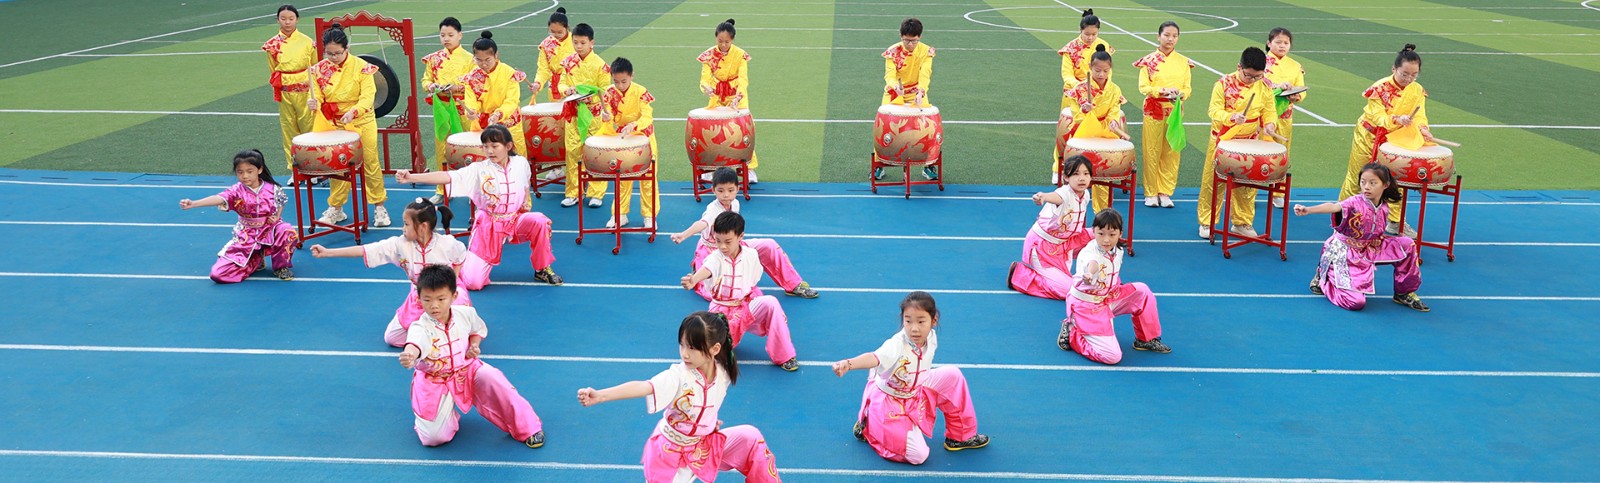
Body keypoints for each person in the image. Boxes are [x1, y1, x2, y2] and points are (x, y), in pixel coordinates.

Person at [576, 311, 781, 483]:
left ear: (715, 349)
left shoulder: (723, 373)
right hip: (671, 453)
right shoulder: (678, 376)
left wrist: (707, 423)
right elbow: (644, 387)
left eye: (692, 347)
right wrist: (600, 396)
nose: (684, 354)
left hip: (702, 445)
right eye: (682, 345)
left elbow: (707, 401)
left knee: (750, 437)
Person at [831, 291, 989, 464]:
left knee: (953, 375)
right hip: (890, 400)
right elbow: (874, 357)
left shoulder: (931, 337)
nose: (914, 328)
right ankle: (868, 425)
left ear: (934, 321)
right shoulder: (896, 344)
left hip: (915, 390)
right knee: (918, 456)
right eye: (908, 321)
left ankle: (961, 437)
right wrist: (848, 363)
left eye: (921, 321)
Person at [395, 125, 564, 287]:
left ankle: (542, 268)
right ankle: (456, 261)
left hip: (514, 220)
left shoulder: (521, 163)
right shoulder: (478, 170)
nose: (489, 151)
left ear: (508, 146)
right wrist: (412, 177)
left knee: (540, 221)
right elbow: (448, 176)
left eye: (494, 146)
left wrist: (525, 199)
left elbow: (525, 182)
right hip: (489, 225)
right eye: (485, 146)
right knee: (473, 283)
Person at [399, 265, 545, 448]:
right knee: (433, 439)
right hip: (434, 379)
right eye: (427, 299)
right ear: (419, 299)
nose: (434, 305)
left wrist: (474, 345)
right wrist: (410, 355)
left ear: (454, 296)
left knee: (495, 380)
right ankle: (444, 417)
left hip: (467, 369)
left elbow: (476, 331)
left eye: (441, 299)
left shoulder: (466, 313)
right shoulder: (419, 327)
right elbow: (414, 344)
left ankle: (528, 427)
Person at [310, 198, 482, 347]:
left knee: (458, 327)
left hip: (447, 295)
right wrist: (328, 252)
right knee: (392, 338)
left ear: (423, 227)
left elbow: (460, 256)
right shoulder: (400, 245)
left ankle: (450, 336)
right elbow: (366, 249)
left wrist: (452, 281)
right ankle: (435, 338)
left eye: (406, 224)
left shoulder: (447, 243)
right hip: (421, 296)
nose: (403, 228)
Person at [1295, 163, 1429, 312]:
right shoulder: (1354, 202)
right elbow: (1333, 207)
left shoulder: (1384, 207)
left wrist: (1378, 238)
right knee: (1356, 302)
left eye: (1373, 183)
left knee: (1407, 244)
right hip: (1346, 252)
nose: (1366, 187)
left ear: (1385, 185)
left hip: (1370, 247)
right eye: (1363, 182)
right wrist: (1308, 209)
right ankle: (1324, 278)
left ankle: (1403, 292)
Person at [670, 167, 819, 300]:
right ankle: (698, 271)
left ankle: (793, 284)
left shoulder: (735, 204)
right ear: (713, 190)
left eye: (730, 190)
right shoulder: (713, 210)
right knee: (719, 293)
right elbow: (702, 223)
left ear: (737, 189)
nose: (726, 195)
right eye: (721, 191)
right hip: (713, 251)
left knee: (769, 245)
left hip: (733, 246)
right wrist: (684, 235)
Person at [680, 212, 800, 371]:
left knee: (771, 303)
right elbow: (708, 268)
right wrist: (694, 279)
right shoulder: (715, 257)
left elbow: (754, 278)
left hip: (747, 304)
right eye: (718, 241)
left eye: (728, 242)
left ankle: (784, 356)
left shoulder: (751, 255)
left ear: (740, 236)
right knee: (715, 353)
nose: (722, 247)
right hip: (722, 312)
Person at [1341, 44, 1435, 237]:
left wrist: (1423, 129)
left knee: (1394, 179)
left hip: (1395, 139)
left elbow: (1420, 116)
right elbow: (1377, 116)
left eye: (1414, 75)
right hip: (1369, 136)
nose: (1409, 79)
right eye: (1404, 74)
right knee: (1360, 176)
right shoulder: (1380, 88)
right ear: (1394, 69)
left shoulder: (1417, 90)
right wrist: (1397, 119)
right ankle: (1345, 215)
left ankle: (1395, 220)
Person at [1059, 209, 1170, 365]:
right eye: (1101, 234)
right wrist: (1089, 274)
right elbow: (1093, 264)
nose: (1106, 240)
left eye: (1112, 234)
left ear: (1120, 233)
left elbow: (1113, 275)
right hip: (1087, 306)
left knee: (1142, 291)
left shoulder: (1118, 250)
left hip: (1108, 297)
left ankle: (1146, 339)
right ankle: (1072, 331)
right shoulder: (1089, 252)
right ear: (1093, 231)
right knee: (1112, 357)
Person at [310, 23, 390, 227]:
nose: (334, 57)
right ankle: (336, 208)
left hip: (361, 120)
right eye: (329, 53)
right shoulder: (319, 69)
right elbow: (316, 94)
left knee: (370, 161)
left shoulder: (362, 67)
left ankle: (379, 207)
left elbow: (368, 96)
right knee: (337, 164)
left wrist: (354, 111)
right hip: (335, 121)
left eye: (338, 53)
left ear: (347, 48)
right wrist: (314, 103)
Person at [1195, 47, 1278, 239]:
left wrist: (1270, 124)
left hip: (1250, 140)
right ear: (1239, 67)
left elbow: (1269, 110)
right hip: (1224, 137)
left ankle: (1242, 222)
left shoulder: (1264, 86)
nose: (1252, 80)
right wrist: (1232, 117)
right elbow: (1213, 111)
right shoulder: (1223, 84)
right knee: (1213, 181)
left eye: (1257, 76)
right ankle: (1207, 221)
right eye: (1248, 75)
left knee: (1247, 183)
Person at [180, 149, 296, 283]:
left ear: (259, 170)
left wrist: (276, 216)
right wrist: (194, 203)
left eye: (249, 171)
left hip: (269, 229)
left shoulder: (273, 188)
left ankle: (281, 267)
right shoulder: (236, 191)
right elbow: (219, 198)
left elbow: (281, 201)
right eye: (240, 172)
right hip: (246, 235)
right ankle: (255, 259)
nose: (245, 176)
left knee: (286, 230)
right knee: (218, 274)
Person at [1009, 155, 1094, 300]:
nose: (1081, 178)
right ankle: (1020, 275)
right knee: (1067, 290)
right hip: (1043, 247)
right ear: (1066, 177)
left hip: (1065, 242)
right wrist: (1043, 196)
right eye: (1076, 174)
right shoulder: (1064, 193)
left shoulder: (1085, 194)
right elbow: (1055, 197)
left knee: (1102, 235)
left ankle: (1101, 278)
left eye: (1086, 174)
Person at [1057, 45, 1129, 208]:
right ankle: (1072, 211)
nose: (1101, 74)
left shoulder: (1114, 89)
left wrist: (1112, 120)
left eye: (1105, 71)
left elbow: (1115, 109)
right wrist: (1084, 110)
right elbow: (1077, 115)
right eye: (1097, 70)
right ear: (1090, 67)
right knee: (1079, 174)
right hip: (1085, 131)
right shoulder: (1080, 89)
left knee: (1103, 173)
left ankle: (1102, 212)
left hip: (1104, 132)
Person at [1132, 21, 1193, 209]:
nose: (1170, 39)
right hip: (1154, 110)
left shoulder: (1183, 62)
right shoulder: (1148, 61)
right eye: (1166, 35)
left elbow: (1188, 88)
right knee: (1152, 150)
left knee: (1172, 150)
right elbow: (1144, 87)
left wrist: (1180, 94)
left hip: (1174, 110)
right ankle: (1151, 191)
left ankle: (1165, 191)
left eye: (1174, 36)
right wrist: (1161, 91)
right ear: (1158, 36)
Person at [697, 18, 761, 183]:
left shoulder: (740, 55)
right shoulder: (708, 55)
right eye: (720, 41)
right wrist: (706, 88)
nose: (723, 45)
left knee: (743, 130)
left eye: (727, 42)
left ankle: (749, 168)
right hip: (717, 93)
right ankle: (711, 168)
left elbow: (743, 79)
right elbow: (704, 78)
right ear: (716, 38)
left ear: (732, 40)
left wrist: (738, 96)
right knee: (714, 130)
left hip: (736, 94)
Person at [598, 57, 659, 228]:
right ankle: (619, 214)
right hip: (623, 139)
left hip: (644, 138)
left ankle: (649, 216)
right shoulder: (609, 93)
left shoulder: (641, 92)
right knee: (622, 177)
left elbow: (647, 116)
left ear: (632, 76)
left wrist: (634, 125)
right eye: (616, 81)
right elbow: (609, 116)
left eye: (624, 81)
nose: (620, 85)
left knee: (648, 177)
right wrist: (606, 117)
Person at [556, 23, 611, 208]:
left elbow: (605, 91)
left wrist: (590, 96)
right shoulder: (567, 62)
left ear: (591, 43)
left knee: (595, 152)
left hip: (593, 115)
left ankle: (596, 192)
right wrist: (567, 90)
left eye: (582, 42)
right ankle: (573, 192)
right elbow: (561, 83)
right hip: (574, 113)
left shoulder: (601, 65)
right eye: (575, 42)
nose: (578, 46)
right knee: (573, 152)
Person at [421, 16, 474, 203]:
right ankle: (442, 189)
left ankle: (472, 189)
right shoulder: (434, 58)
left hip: (462, 108)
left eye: (450, 35)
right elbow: (426, 80)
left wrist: (458, 88)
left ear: (460, 35)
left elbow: (475, 82)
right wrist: (431, 86)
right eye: (443, 35)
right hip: (442, 108)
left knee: (468, 148)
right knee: (441, 148)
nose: (446, 39)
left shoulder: (470, 59)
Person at [880, 17, 938, 181]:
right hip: (895, 91)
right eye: (906, 40)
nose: (910, 44)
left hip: (916, 92)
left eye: (914, 41)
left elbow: (925, 74)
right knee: (884, 126)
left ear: (919, 37)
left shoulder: (926, 51)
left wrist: (921, 92)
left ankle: (928, 165)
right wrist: (894, 86)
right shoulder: (893, 51)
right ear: (900, 36)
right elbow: (889, 74)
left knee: (927, 125)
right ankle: (879, 164)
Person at [263, 5, 315, 173]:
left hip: (306, 90)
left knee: (309, 127)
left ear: (297, 20)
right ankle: (295, 169)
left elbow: (315, 66)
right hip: (285, 90)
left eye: (291, 19)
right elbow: (273, 69)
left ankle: (313, 168)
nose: (287, 22)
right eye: (283, 19)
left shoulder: (308, 42)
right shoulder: (272, 44)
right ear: (277, 20)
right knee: (289, 129)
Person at [1263, 27, 1306, 209]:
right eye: (1278, 42)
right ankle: (1250, 189)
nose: (1282, 46)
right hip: (1262, 115)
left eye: (1286, 43)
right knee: (1257, 153)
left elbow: (1301, 89)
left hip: (1284, 115)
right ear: (1269, 43)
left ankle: (1277, 192)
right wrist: (1277, 87)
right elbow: (1258, 84)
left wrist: (1296, 96)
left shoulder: (1295, 66)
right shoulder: (1261, 62)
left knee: (1281, 154)